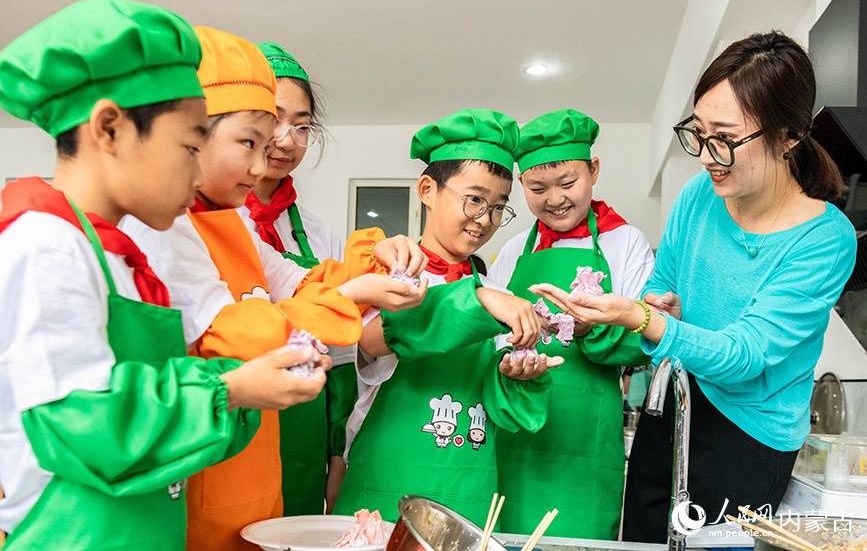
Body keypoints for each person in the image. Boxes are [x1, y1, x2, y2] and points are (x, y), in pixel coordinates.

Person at [0, 0, 322, 550]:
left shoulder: (119, 257)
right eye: (191, 144)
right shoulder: (46, 245)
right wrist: (231, 389)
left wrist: (242, 393)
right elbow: (87, 423)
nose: (204, 169)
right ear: (110, 129)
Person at [532, 32, 857, 543]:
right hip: (676, 403)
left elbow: (746, 354)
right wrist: (656, 305)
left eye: (725, 137)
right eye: (699, 132)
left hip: (749, 432)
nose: (707, 154)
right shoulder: (698, 196)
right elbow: (662, 285)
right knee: (640, 538)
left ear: (790, 135)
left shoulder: (824, 238)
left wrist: (644, 319)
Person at [123, 25, 427, 550]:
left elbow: (299, 278)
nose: (266, 164)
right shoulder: (163, 224)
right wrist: (352, 295)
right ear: (192, 132)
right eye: (251, 143)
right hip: (205, 458)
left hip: (258, 456)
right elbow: (238, 334)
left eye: (278, 140)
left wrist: (373, 258)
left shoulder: (232, 219)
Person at [334, 108, 560, 525]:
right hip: (387, 482)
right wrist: (478, 299)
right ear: (426, 189)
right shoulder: (388, 268)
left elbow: (504, 413)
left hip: (471, 487)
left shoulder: (500, 295)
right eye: (474, 199)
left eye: (498, 207)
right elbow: (369, 342)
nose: (485, 220)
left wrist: (516, 377)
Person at [488, 108, 654, 539]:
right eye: (537, 187)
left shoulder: (625, 243)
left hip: (586, 443)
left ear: (593, 170)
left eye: (567, 183)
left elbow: (646, 339)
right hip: (517, 437)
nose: (555, 198)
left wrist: (587, 328)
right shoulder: (511, 252)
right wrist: (509, 358)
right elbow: (491, 338)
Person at [241, 42, 356, 513]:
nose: (287, 140)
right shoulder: (201, 221)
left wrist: (336, 450)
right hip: (232, 413)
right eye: (273, 119)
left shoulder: (319, 233)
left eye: (303, 126)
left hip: (303, 429)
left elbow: (343, 355)